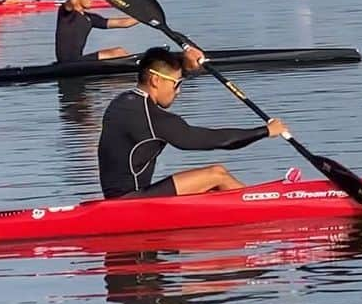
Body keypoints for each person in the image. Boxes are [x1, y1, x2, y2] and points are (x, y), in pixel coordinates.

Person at [98, 46, 290, 199]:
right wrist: (264, 131)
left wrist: (186, 66)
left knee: (211, 188)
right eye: (177, 84)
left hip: (122, 197)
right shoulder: (150, 116)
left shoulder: (123, 102)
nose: (178, 91)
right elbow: (213, 140)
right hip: (129, 203)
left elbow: (164, 69)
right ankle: (266, 205)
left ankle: (255, 202)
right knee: (217, 174)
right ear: (156, 80)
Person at [55, 0, 140, 63]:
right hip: (67, 63)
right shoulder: (66, 13)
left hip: (78, 61)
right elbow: (73, 0)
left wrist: (145, 15)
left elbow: (124, 23)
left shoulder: (90, 18)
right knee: (118, 53)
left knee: (119, 51)